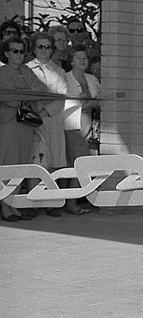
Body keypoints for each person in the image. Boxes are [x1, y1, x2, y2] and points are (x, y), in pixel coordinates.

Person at [0, 36, 49, 222]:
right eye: (15, 51)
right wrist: (26, 92)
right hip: (8, 124)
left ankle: (13, 204)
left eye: (22, 51)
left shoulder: (26, 70)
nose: (19, 55)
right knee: (7, 164)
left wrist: (23, 93)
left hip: (26, 124)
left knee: (22, 164)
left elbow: (41, 89)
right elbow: (9, 98)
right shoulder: (3, 72)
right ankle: (4, 205)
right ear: (6, 53)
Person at [26, 32, 68, 215]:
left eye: (47, 47)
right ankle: (33, 202)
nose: (44, 50)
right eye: (40, 46)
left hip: (52, 120)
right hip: (32, 123)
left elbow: (61, 98)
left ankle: (51, 202)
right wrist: (33, 114)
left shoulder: (59, 71)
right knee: (35, 162)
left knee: (52, 163)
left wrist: (42, 113)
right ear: (34, 48)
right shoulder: (25, 69)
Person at [63, 45, 100, 214]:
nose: (82, 60)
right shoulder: (65, 78)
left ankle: (70, 200)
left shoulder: (92, 79)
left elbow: (98, 101)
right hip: (73, 126)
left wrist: (87, 104)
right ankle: (71, 203)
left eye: (85, 57)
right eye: (78, 57)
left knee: (77, 164)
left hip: (89, 125)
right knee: (79, 163)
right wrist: (88, 104)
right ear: (71, 60)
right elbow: (69, 104)